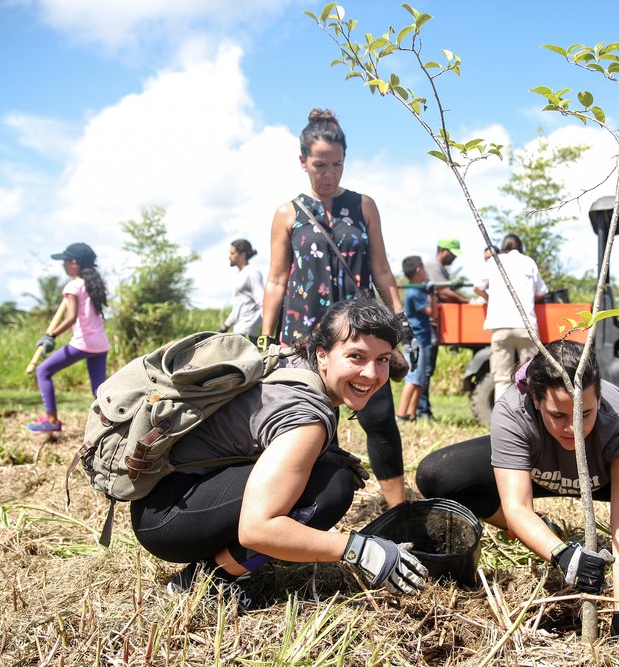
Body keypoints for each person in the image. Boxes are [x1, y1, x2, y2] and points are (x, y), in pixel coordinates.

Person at [132, 299, 429, 610]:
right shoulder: (307, 418)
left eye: (381, 359)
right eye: (356, 357)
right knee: (332, 488)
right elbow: (257, 529)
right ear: (323, 355)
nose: (371, 374)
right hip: (171, 520)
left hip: (169, 498)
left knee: (326, 469)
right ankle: (208, 579)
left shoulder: (293, 361)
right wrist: (360, 549)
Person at [415, 340, 619, 638]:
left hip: (602, 479)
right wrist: (561, 553)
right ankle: (542, 530)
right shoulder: (513, 409)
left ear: (598, 399)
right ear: (536, 401)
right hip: (537, 474)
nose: (572, 429)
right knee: (437, 473)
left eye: (584, 414)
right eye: (558, 416)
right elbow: (517, 507)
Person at [261, 108, 412, 508]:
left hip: (361, 332)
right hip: (304, 336)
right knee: (305, 420)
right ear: (302, 162)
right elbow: (277, 280)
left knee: (379, 420)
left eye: (337, 165)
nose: (329, 174)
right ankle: (294, 506)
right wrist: (263, 337)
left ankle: (399, 509)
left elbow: (381, 267)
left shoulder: (363, 206)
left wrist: (399, 318)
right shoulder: (287, 213)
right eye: (320, 165)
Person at [26, 242, 110, 434]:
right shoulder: (92, 284)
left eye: (65, 261)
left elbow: (71, 317)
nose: (62, 265)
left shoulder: (73, 286)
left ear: (75, 263)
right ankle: (113, 421)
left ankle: (52, 420)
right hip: (100, 344)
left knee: (43, 371)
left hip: (84, 343)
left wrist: (50, 335)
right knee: (99, 390)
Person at [474, 233, 548, 400]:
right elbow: (542, 292)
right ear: (520, 247)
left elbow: (477, 286)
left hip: (500, 326)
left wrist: (489, 299)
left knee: (501, 379)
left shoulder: (494, 261)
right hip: (526, 326)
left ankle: (501, 421)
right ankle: (529, 420)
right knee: (531, 376)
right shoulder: (528, 262)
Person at [418, 238, 470, 419]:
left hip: (432, 324)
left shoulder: (441, 269)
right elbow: (444, 293)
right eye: (452, 254)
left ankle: (423, 409)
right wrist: (467, 301)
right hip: (426, 324)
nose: (454, 258)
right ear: (442, 250)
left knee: (427, 370)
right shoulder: (433, 266)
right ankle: (422, 411)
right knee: (424, 369)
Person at [396, 256, 435, 422]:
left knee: (420, 379)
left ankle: (411, 415)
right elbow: (432, 312)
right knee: (413, 378)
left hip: (422, 338)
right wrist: (432, 295)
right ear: (419, 269)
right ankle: (401, 415)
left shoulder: (419, 289)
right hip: (415, 339)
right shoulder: (414, 292)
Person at [220, 239, 264, 343]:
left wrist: (256, 327)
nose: (229, 256)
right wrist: (226, 325)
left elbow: (262, 301)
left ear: (242, 254)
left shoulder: (252, 272)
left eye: (232, 253)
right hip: (239, 331)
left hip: (248, 333)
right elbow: (239, 306)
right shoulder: (240, 274)